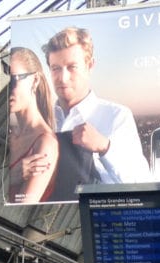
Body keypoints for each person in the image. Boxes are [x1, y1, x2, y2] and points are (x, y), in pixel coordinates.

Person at [36, 27, 149, 201]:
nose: (63, 78)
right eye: (56, 69)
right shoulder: (40, 120)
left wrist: (105, 147)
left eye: (72, 67)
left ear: (89, 66)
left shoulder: (116, 116)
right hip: (47, 221)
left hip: (102, 221)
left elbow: (141, 184)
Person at [6, 47, 59, 205]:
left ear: (35, 80)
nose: (8, 89)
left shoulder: (45, 143)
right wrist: (11, 175)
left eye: (14, 79)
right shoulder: (8, 133)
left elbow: (22, 208)